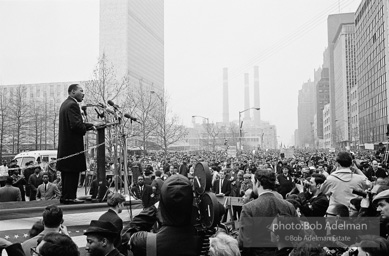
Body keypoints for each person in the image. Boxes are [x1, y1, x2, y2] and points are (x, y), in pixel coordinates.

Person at [130, 174, 201, 256]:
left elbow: (127, 234)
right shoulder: (205, 242)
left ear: (162, 204)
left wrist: (154, 209)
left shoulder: (142, 242)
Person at [239, 169, 297, 256]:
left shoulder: (249, 208)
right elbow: (296, 234)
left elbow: (245, 242)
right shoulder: (289, 206)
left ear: (258, 182)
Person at [57, 83, 95, 204]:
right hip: (72, 146)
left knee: (67, 174)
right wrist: (91, 126)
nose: (83, 93)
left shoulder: (65, 104)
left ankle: (67, 196)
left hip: (66, 146)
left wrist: (90, 125)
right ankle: (70, 197)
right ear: (73, 92)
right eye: (81, 90)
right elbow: (76, 125)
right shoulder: (73, 105)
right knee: (72, 172)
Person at [320, 152, 367, 216]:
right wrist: (357, 169)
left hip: (335, 214)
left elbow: (322, 190)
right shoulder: (360, 179)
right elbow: (369, 184)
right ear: (351, 163)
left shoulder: (331, 179)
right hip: (353, 214)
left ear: (337, 163)